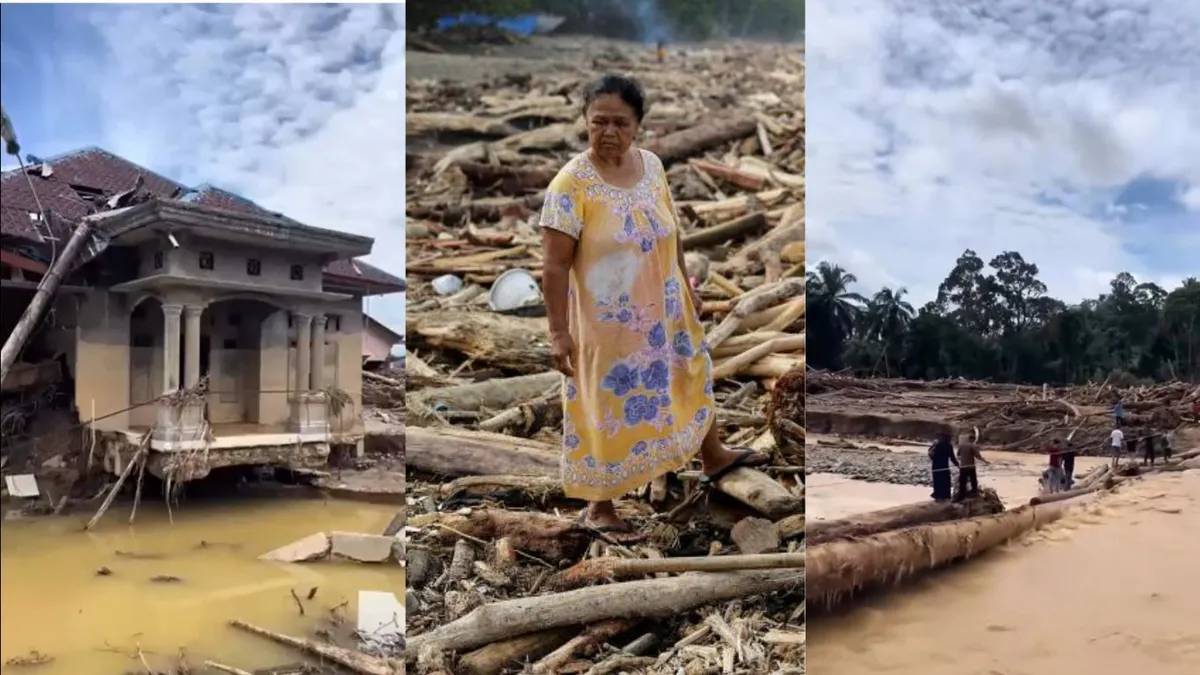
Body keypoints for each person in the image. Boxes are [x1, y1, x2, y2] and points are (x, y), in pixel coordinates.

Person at [539, 74, 772, 543]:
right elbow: (554, 266)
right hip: (609, 324)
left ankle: (713, 456)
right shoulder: (570, 185)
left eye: (620, 123)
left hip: (665, 307)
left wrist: (685, 281)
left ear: (638, 126)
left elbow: (672, 232)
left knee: (692, 371)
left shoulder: (652, 168)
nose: (608, 132)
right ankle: (600, 506)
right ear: (584, 122)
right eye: (598, 121)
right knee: (603, 404)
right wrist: (559, 333)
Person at [954, 432, 988, 500]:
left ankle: (961, 495)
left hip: (963, 466)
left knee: (962, 481)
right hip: (971, 466)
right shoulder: (972, 446)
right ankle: (974, 492)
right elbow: (977, 456)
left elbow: (958, 456)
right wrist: (985, 461)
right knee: (973, 480)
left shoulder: (960, 446)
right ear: (971, 439)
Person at [928, 430, 957, 501]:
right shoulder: (948, 445)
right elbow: (952, 457)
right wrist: (958, 465)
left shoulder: (936, 444)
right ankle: (946, 496)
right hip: (944, 467)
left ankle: (937, 495)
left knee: (937, 481)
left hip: (936, 466)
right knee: (945, 481)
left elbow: (930, 454)